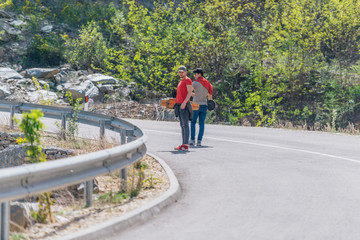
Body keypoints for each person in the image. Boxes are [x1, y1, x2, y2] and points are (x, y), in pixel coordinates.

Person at [190, 68, 213, 146]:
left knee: (193, 122)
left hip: (196, 105)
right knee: (201, 124)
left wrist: (193, 95)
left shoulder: (195, 83)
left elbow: (189, 91)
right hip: (204, 105)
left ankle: (192, 140)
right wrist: (209, 107)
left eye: (195, 74)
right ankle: (199, 141)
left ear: (199, 74)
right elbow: (210, 96)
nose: (194, 76)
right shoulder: (208, 84)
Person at [174, 66, 194, 151]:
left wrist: (184, 102)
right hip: (179, 105)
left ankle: (185, 144)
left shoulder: (187, 80)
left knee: (185, 125)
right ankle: (183, 144)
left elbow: (190, 92)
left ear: (186, 72)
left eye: (182, 72)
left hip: (184, 105)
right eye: (179, 72)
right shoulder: (181, 81)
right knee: (182, 125)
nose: (181, 73)